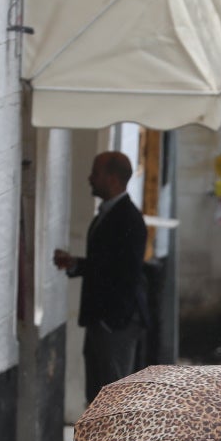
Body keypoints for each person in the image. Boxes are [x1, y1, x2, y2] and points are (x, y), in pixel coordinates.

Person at [54, 151, 149, 405]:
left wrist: (111, 321)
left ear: (113, 178)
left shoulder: (129, 218)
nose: (89, 178)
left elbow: (126, 271)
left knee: (114, 398)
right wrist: (76, 265)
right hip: (101, 319)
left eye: (96, 173)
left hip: (115, 322)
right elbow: (107, 263)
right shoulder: (105, 215)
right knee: (97, 396)